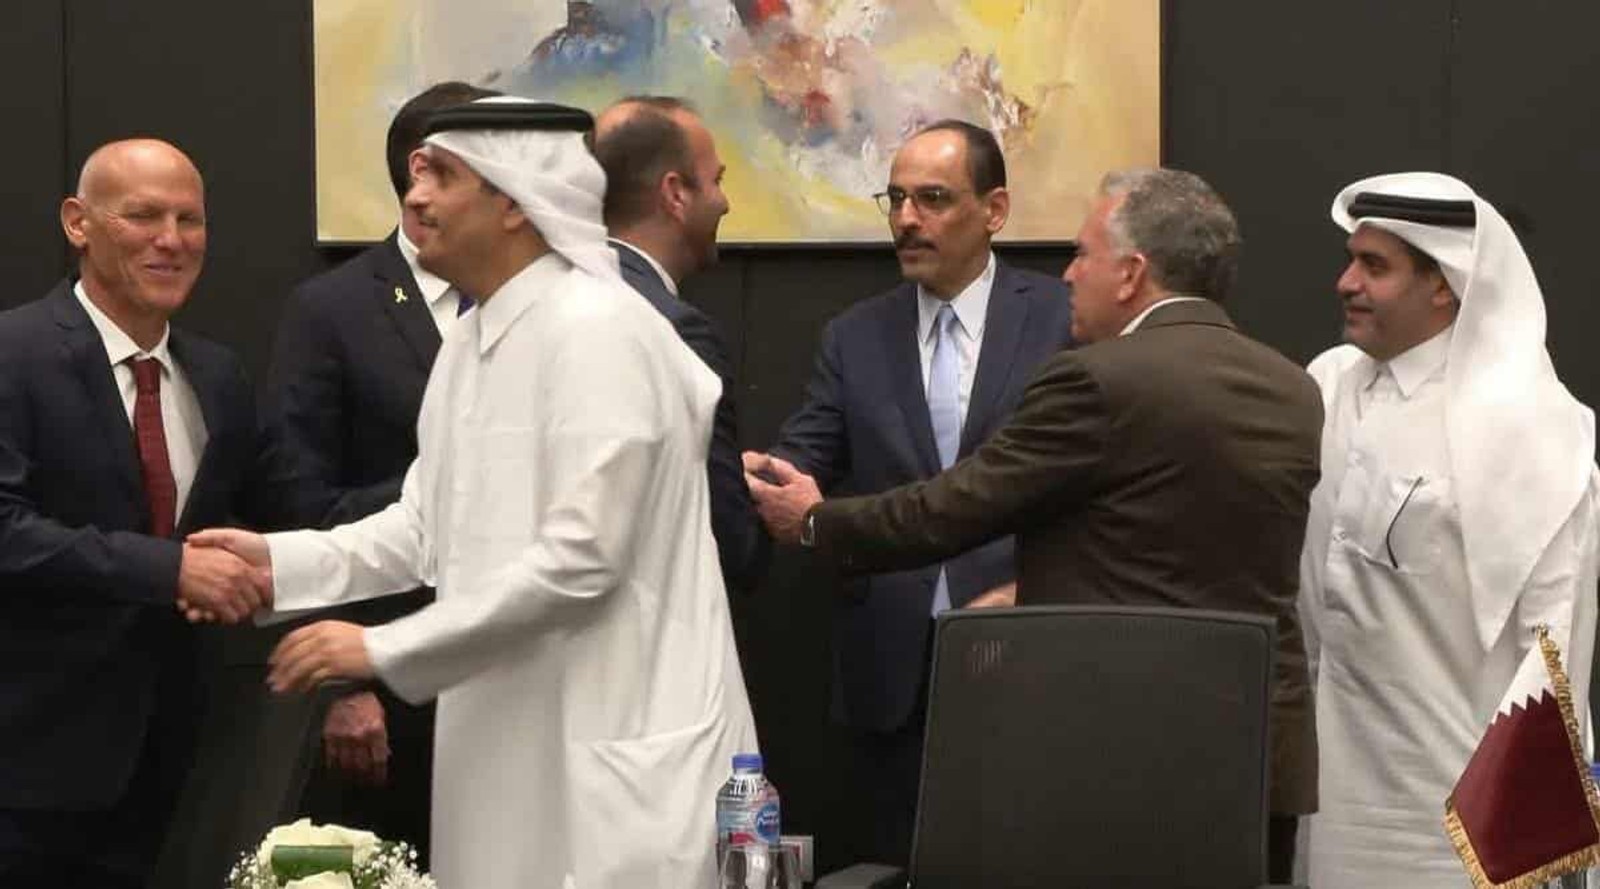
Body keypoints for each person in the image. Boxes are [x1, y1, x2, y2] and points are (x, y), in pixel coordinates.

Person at [192, 98, 757, 889]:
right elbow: (424, 526)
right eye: (416, 175)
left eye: (442, 176)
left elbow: (583, 559)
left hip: (621, 750)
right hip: (503, 747)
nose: (415, 196)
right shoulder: (470, 341)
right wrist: (276, 564)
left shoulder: (603, 330)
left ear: (516, 200)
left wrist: (381, 649)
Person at [747, 167, 1323, 883]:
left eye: (1083, 254)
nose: (1069, 273)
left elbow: (956, 505)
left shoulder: (1099, 379)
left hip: (1125, 746)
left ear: (1131, 274)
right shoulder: (1295, 388)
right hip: (1257, 745)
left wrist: (815, 522)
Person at [741, 119, 1073, 866]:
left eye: (932, 199)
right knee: (897, 859)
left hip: (1029, 636)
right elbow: (808, 451)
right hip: (890, 662)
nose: (905, 219)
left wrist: (1042, 583)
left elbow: (1100, 478)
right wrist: (764, 476)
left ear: (994, 210)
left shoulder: (1061, 319)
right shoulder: (856, 334)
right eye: (895, 199)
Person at [1297, 173, 1599, 888]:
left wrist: (1518, 847)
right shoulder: (1327, 386)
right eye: (1350, 260)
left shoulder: (1529, 425)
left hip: (1453, 815)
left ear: (1445, 283)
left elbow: (1552, 648)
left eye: (1375, 266)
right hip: (1328, 796)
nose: (1346, 283)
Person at [0, 139, 269, 887]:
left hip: (186, 769)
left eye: (190, 219)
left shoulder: (219, 374)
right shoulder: (12, 354)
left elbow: (256, 518)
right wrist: (170, 569)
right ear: (77, 223)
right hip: (31, 774)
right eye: (144, 216)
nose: (171, 240)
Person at [262, 80, 496, 867]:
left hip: (513, 682)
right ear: (423, 177)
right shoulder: (331, 310)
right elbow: (299, 500)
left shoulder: (527, 306)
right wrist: (342, 684)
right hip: (389, 695)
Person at [591, 95, 770, 596]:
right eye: (716, 180)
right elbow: (725, 541)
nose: (724, 202)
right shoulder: (675, 332)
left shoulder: (550, 299)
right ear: (675, 194)